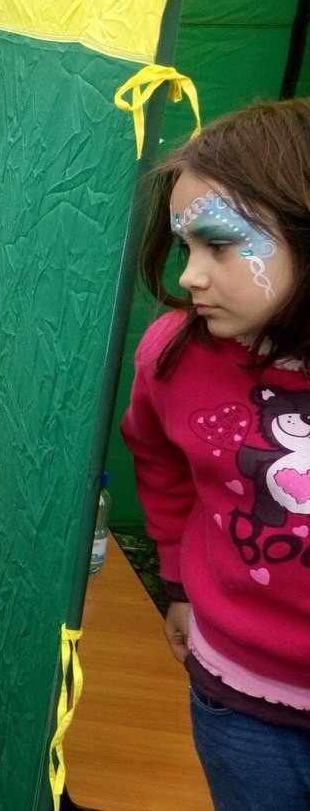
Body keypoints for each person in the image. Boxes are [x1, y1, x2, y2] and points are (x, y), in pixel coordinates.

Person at [120, 98, 310, 811]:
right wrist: (176, 579)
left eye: (221, 246)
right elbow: (158, 457)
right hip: (242, 698)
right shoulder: (174, 356)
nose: (191, 276)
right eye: (186, 248)